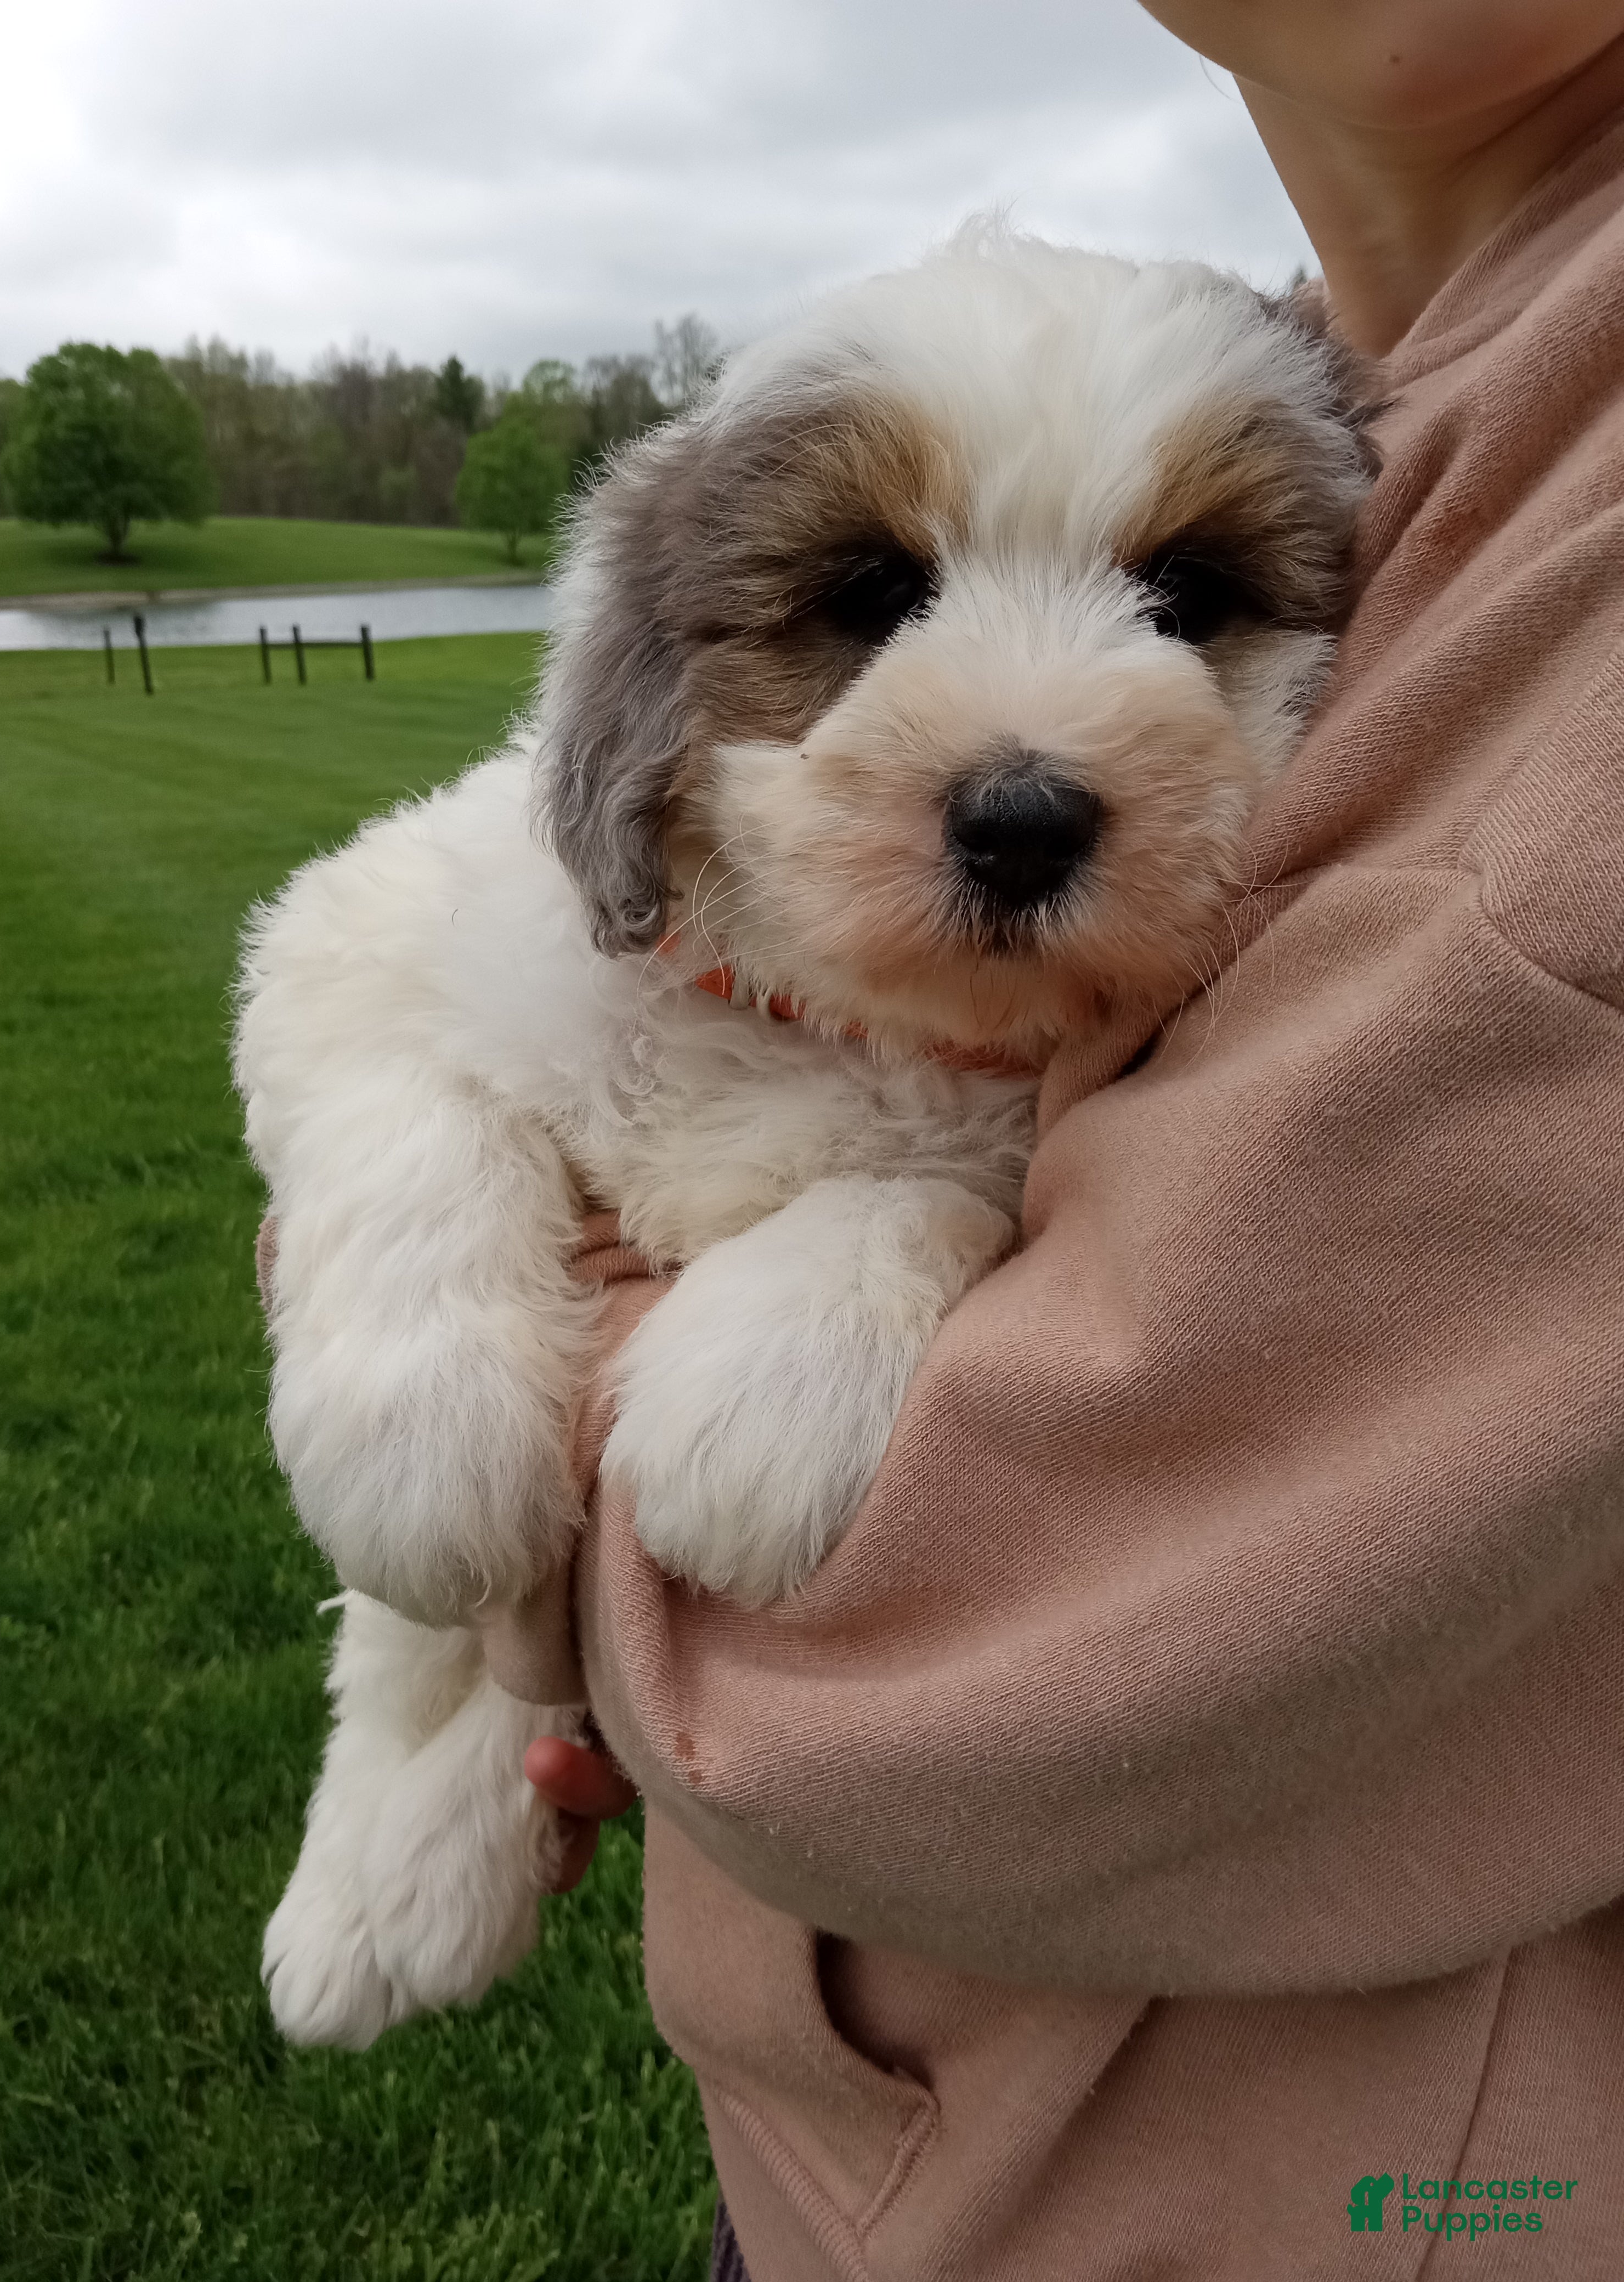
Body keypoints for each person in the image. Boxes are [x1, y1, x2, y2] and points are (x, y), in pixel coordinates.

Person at [505, 5, 1624, 2274]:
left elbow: (903, 1675)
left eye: (1192, 602)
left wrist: (536, 1418)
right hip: (880, 2170)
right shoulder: (1331, 357)